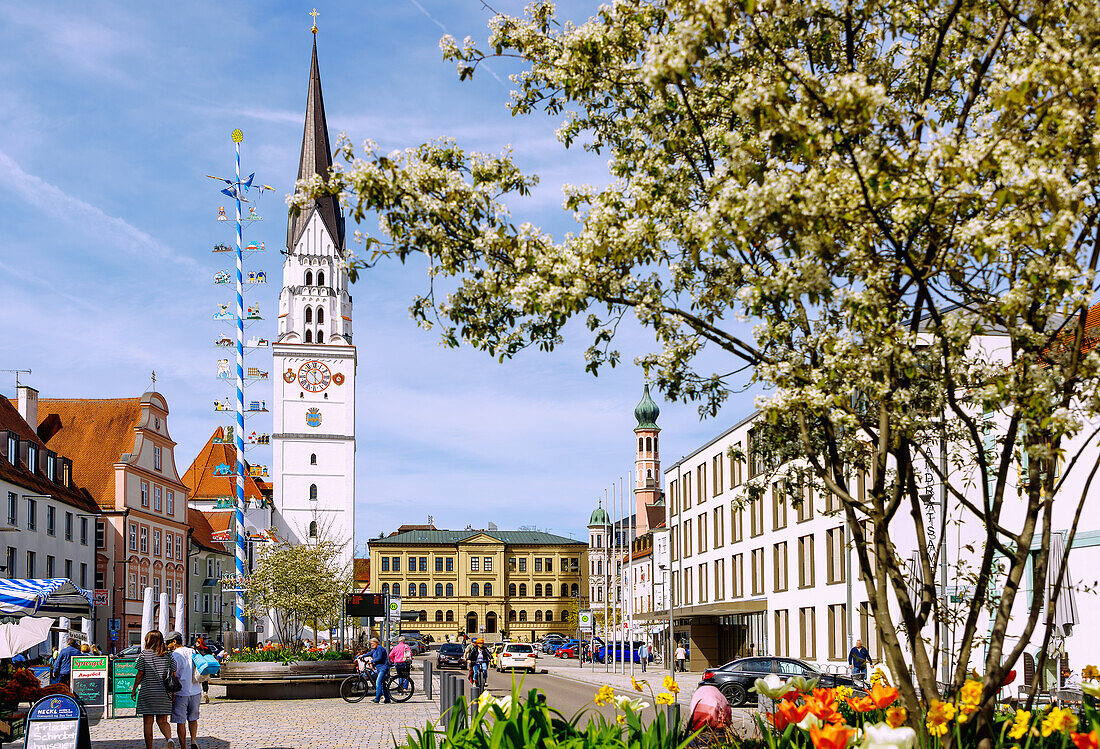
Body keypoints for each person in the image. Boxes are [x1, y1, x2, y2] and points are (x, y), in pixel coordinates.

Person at [132, 630, 175, 749]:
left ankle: (149, 747)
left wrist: (134, 688)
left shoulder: (144, 654)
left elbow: (140, 673)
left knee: (148, 722)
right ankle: (169, 739)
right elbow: (173, 672)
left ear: (148, 640)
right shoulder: (168, 655)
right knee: (162, 721)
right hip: (164, 693)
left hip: (148, 692)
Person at [166, 632, 201, 749]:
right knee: (193, 718)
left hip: (181, 692)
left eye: (168, 643)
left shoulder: (175, 655)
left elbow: (173, 673)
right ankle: (193, 740)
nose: (167, 645)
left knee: (181, 721)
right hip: (196, 690)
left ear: (174, 642)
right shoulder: (193, 651)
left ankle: (183, 746)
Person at [368, 638, 391, 704]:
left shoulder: (380, 648)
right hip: (379, 668)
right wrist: (361, 656)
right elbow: (370, 653)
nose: (371, 645)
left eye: (372, 643)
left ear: (376, 643)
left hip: (383, 668)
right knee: (383, 684)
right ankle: (387, 699)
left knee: (378, 682)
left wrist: (371, 661)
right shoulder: (375, 649)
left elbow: (379, 658)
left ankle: (377, 699)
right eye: (371, 644)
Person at [193, 636, 213, 704]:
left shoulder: (195, 649)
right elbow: (211, 655)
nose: (196, 644)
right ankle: (205, 692)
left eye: (197, 642)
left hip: (199, 667)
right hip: (206, 667)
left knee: (197, 681)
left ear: (199, 643)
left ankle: (197, 695)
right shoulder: (207, 649)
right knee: (205, 681)